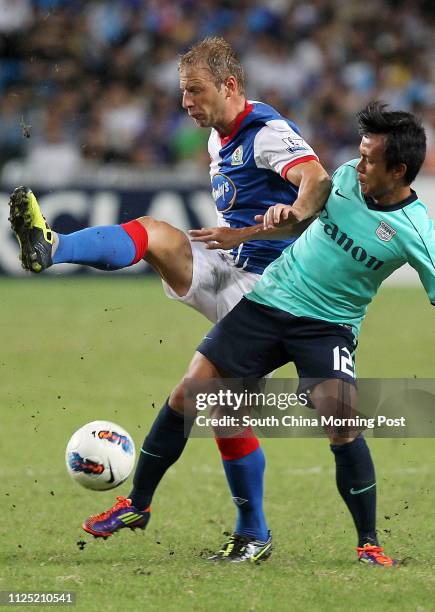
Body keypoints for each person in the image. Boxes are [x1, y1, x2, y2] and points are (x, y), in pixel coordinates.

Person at [8, 37, 330, 559]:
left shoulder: (265, 132)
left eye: (194, 92)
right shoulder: (218, 137)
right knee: (155, 233)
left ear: (229, 87)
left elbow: (316, 182)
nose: (186, 104)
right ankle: (53, 247)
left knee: (212, 405)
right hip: (231, 267)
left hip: (270, 291)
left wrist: (287, 214)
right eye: (183, 93)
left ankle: (244, 531)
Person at [84, 102, 434, 565]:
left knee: (342, 422)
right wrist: (249, 232)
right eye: (361, 152)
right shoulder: (348, 177)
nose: (359, 163)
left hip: (328, 326)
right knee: (190, 393)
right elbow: (303, 219)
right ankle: (136, 505)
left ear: (400, 170)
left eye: (371, 159)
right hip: (270, 301)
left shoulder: (416, 231)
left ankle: (369, 542)